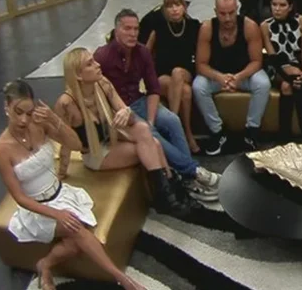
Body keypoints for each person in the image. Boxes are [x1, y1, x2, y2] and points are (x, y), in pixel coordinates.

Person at [0, 80, 146, 290]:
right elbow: (20, 198)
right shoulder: (1, 149)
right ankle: (124, 280)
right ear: (6, 107)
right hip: (36, 209)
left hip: (61, 194)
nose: (23, 120)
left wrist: (54, 120)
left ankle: (45, 264)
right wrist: (57, 214)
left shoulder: (40, 124)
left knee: (75, 239)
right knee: (77, 229)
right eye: (18, 112)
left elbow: (76, 144)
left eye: (29, 113)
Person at [56, 47, 208, 212]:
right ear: (78, 75)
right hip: (95, 154)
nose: (97, 65)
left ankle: (168, 193)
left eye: (94, 60)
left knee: (145, 131)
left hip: (112, 139)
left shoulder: (103, 84)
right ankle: (171, 192)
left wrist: (126, 112)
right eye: (90, 64)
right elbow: (65, 143)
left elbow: (131, 117)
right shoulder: (66, 104)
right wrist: (61, 174)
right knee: (153, 145)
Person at [94, 9, 220, 197]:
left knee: (172, 120)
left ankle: (187, 176)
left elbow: (153, 89)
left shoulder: (143, 52)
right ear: (116, 30)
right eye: (127, 29)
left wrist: (151, 119)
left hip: (140, 101)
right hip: (119, 110)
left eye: (136, 29)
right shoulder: (102, 56)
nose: (133, 33)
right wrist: (145, 125)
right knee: (149, 133)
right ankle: (193, 171)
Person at [193, 0, 270, 153]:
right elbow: (201, 65)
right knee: (198, 86)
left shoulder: (249, 26)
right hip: (217, 76)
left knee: (263, 83)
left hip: (244, 75)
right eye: (222, 14)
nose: (227, 18)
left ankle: (252, 131)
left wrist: (238, 77)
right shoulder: (207, 28)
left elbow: (257, 61)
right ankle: (217, 131)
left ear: (237, 9)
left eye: (231, 13)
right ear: (215, 12)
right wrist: (219, 77)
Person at [145, 0, 202, 153]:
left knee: (178, 73)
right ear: (164, 10)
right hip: (163, 74)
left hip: (186, 72)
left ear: (184, 7)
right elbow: (145, 54)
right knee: (185, 92)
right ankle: (188, 135)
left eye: (177, 5)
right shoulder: (158, 28)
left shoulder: (194, 26)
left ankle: (172, 123)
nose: (174, 9)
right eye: (170, 6)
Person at [260, 0, 302, 142]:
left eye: (282, 5)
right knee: (287, 84)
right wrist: (287, 74)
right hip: (277, 67)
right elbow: (272, 57)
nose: (277, 9)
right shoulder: (265, 25)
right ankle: (287, 135)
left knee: (293, 84)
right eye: (274, 4)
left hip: (298, 65)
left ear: (290, 6)